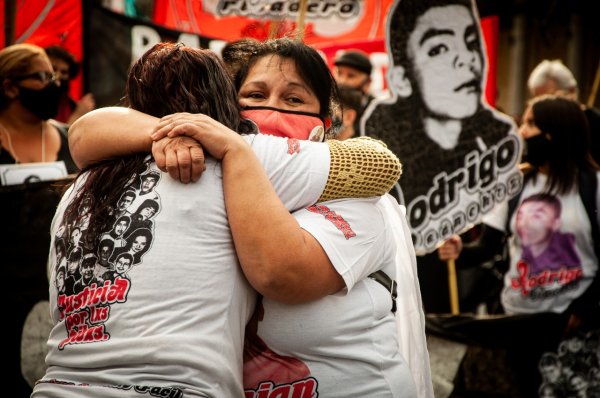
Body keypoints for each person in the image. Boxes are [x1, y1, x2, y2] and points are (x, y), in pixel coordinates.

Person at [32, 42, 410, 397]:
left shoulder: (80, 187)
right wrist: (188, 138)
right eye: (256, 96)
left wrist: (212, 142)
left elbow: (378, 164)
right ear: (230, 107)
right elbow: (85, 132)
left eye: (294, 99)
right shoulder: (228, 158)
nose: (273, 110)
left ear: (325, 122)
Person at [438, 95, 600, 396]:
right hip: (514, 321)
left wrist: (586, 307)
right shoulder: (513, 183)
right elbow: (488, 246)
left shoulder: (594, 187)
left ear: (555, 132)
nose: (521, 131)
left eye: (529, 123)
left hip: (571, 330)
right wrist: (459, 252)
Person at [362, 0, 520, 254]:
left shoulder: (497, 141)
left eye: (470, 42)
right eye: (440, 48)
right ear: (402, 79)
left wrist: (460, 252)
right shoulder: (384, 158)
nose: (466, 58)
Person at [0, 43, 77, 179]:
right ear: (10, 88)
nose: (56, 84)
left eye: (53, 77)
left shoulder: (73, 139)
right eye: (43, 77)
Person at [527, 59, 600, 165]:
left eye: (549, 98)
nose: (540, 107)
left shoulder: (595, 124)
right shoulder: (537, 128)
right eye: (537, 99)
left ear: (571, 92)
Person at [44, 45, 95, 126]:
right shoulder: (32, 104)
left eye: (64, 72)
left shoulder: (73, 106)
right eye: (54, 69)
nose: (58, 75)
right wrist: (76, 116)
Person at [333, 49, 375, 133]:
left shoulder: (377, 112)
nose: (342, 80)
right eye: (339, 73)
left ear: (367, 83)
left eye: (351, 76)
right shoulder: (327, 105)